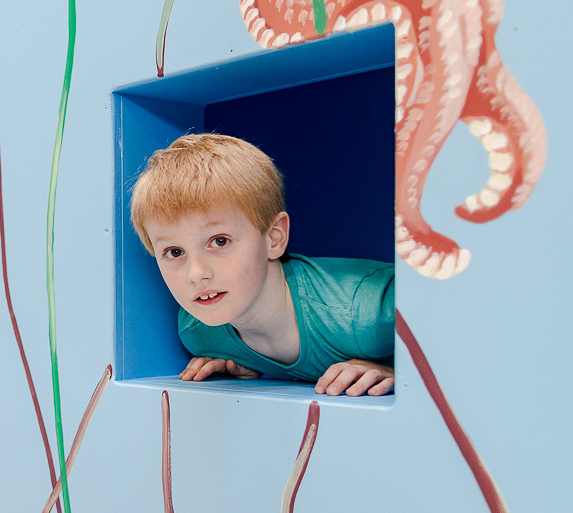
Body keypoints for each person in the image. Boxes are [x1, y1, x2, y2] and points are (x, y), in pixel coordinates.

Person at [129, 133, 394, 396]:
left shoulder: (366, 315)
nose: (196, 274)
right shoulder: (200, 333)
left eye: (220, 241)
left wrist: (400, 370)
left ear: (274, 238)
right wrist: (243, 361)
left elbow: (435, 303)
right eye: (174, 252)